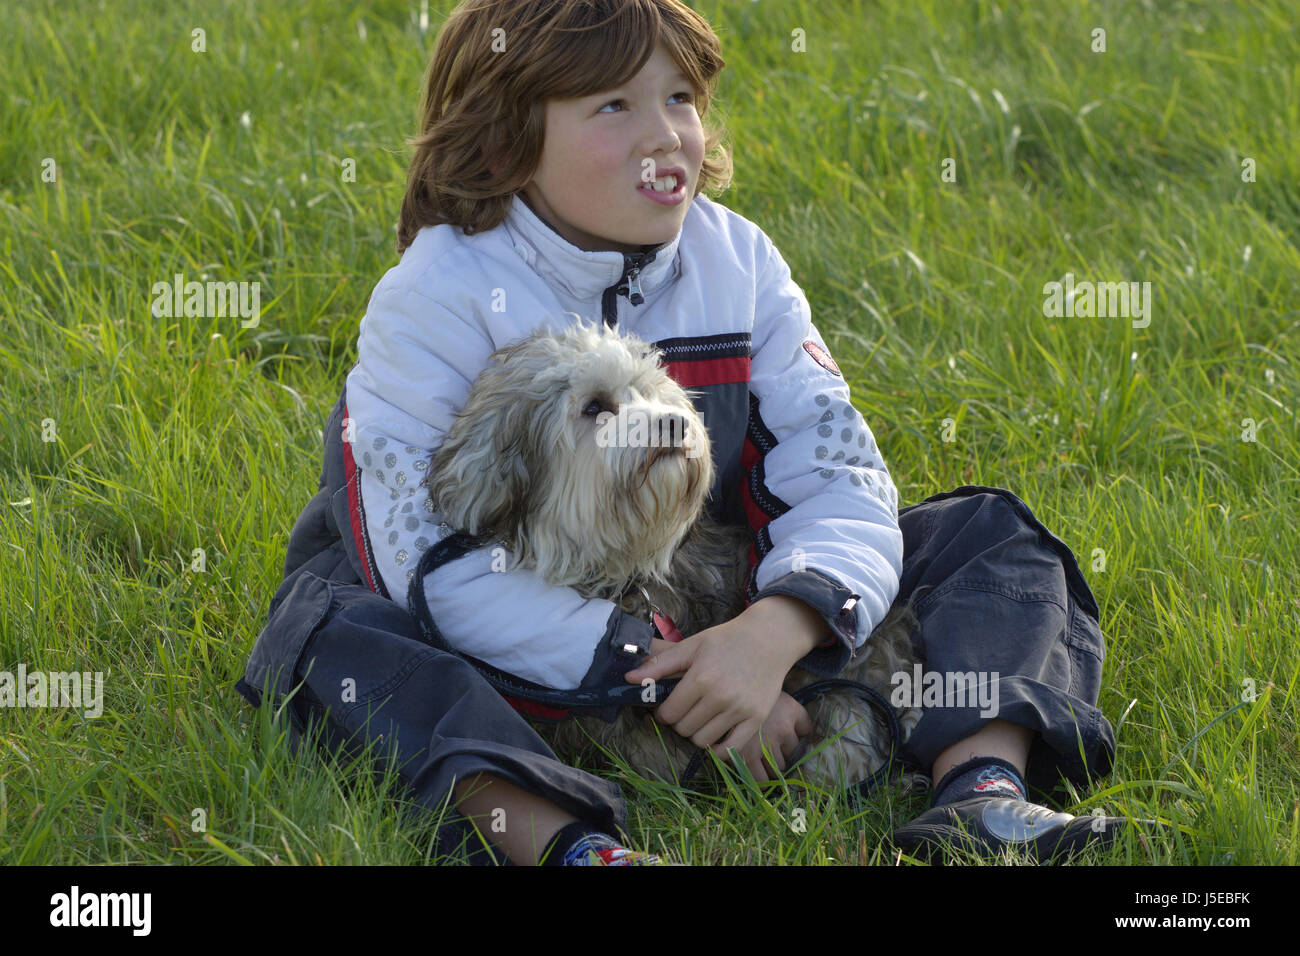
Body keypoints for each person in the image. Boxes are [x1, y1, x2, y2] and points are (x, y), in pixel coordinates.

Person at [235, 0, 1131, 865]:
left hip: (724, 582)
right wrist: (659, 672)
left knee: (990, 536)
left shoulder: (740, 262)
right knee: (337, 636)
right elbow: (427, 561)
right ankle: (567, 842)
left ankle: (980, 788)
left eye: (680, 100)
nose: (665, 135)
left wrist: (770, 637)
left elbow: (840, 476)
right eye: (613, 105)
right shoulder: (434, 295)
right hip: (512, 627)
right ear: (508, 136)